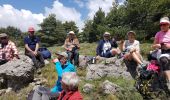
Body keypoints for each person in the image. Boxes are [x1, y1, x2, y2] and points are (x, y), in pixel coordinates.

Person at [152, 17, 170, 90]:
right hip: (162, 51)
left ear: (168, 25)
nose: (162, 26)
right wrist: (158, 46)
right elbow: (153, 46)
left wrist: (168, 46)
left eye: (164, 24)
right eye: (161, 25)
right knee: (161, 60)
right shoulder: (158, 33)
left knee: (163, 60)